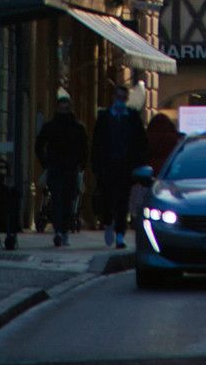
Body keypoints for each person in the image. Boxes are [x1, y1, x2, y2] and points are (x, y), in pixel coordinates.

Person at [92, 86, 147, 249]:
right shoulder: (104, 118)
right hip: (107, 166)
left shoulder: (133, 118)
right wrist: (96, 165)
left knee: (122, 201)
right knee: (107, 199)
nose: (120, 99)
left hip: (125, 167)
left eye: (123, 97)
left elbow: (141, 142)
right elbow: (96, 143)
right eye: (118, 96)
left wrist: (139, 163)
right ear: (114, 97)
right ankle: (108, 223)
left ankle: (120, 234)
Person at [35, 96, 89, 247]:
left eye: (66, 108)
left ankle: (62, 231)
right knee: (59, 199)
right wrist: (46, 163)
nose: (64, 111)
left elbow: (84, 148)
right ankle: (60, 231)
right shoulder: (55, 127)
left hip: (69, 169)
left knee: (67, 200)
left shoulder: (76, 127)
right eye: (62, 108)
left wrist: (81, 165)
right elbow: (39, 145)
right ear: (57, 108)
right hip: (58, 168)